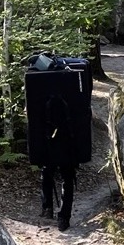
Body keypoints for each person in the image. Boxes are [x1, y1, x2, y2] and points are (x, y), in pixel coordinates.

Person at [40, 90, 77, 231]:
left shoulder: (40, 82)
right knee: (67, 178)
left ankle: (48, 208)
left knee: (47, 173)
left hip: (49, 142)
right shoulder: (71, 82)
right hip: (68, 142)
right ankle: (63, 217)